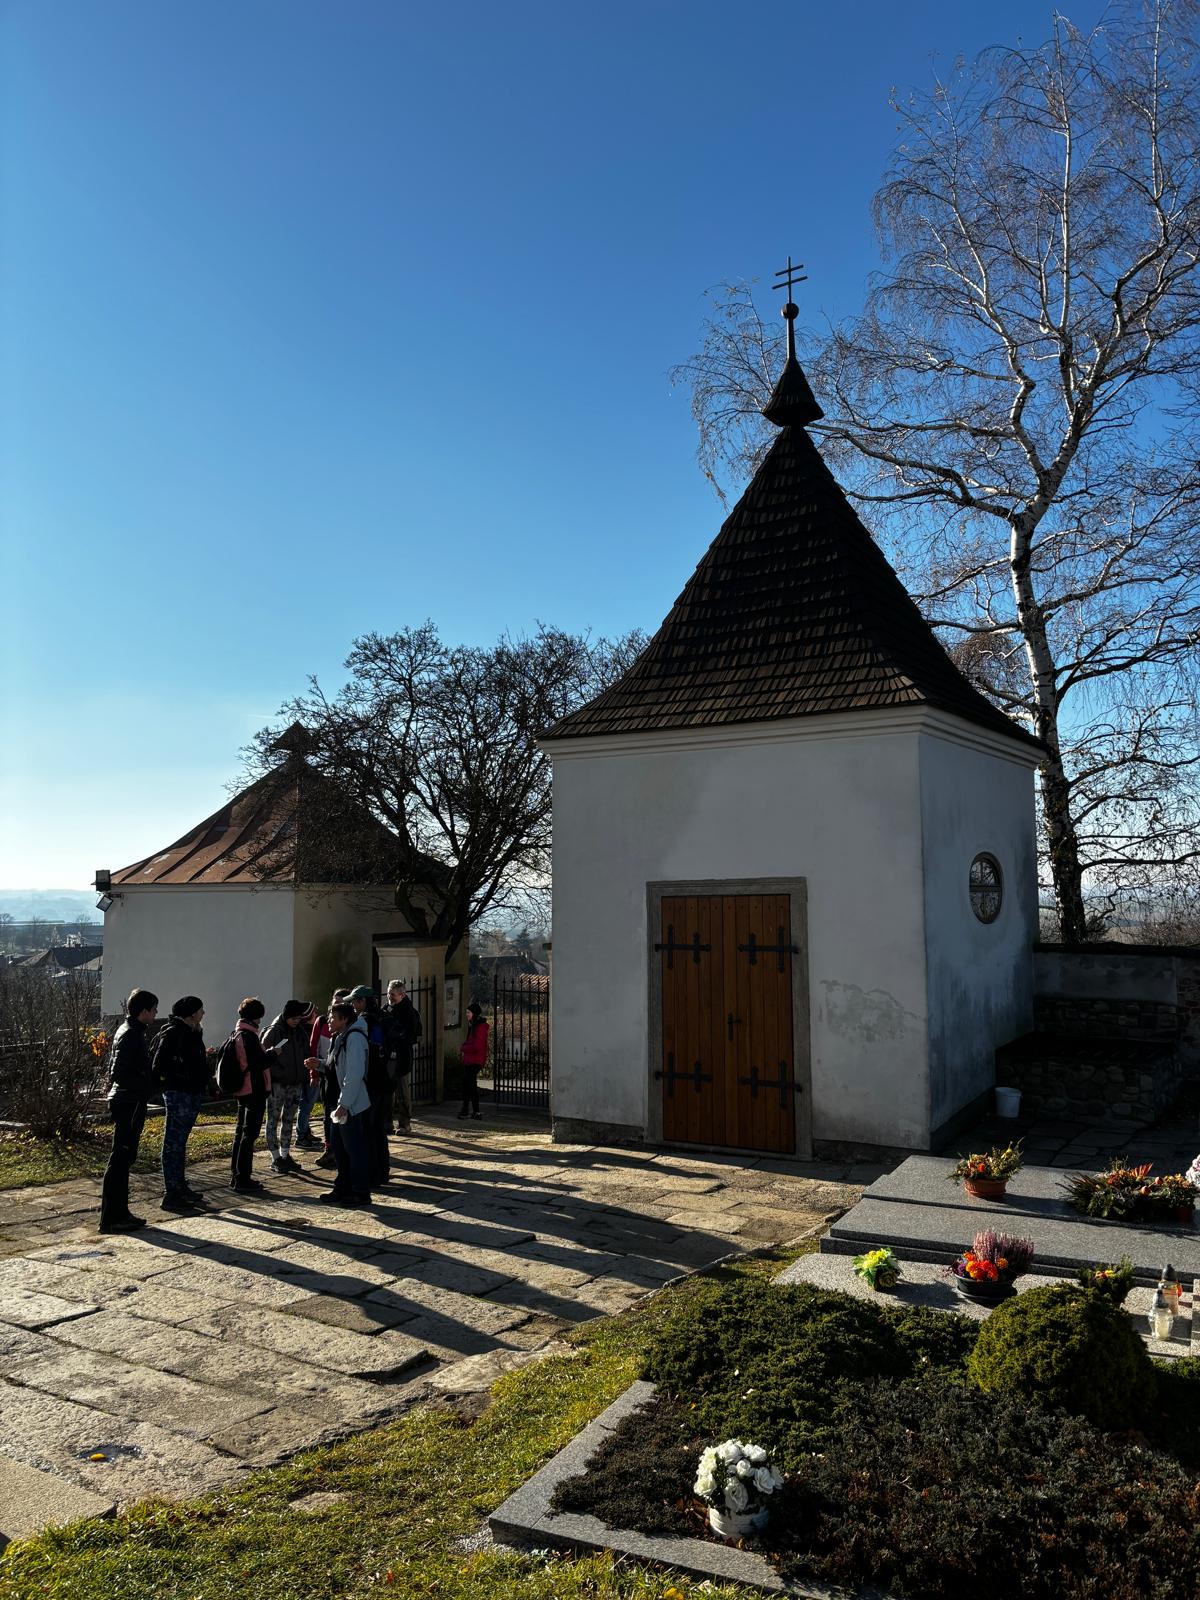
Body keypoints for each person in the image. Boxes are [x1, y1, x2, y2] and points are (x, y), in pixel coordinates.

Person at [99, 987, 158, 1232]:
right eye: (154, 1010)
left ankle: (120, 1212)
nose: (155, 1014)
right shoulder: (131, 1034)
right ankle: (112, 1216)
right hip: (128, 1101)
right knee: (121, 1158)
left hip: (128, 1098)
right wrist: (144, 1087)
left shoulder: (129, 1030)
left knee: (124, 1158)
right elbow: (119, 1072)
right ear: (144, 1011)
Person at [152, 995, 209, 1213]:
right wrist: (175, 1081)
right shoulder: (174, 1032)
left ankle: (180, 1185)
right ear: (192, 1013)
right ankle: (172, 1191)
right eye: (201, 1010)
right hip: (179, 1094)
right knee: (173, 1143)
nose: (203, 1013)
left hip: (191, 1092)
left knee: (180, 1142)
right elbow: (159, 1065)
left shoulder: (192, 1032)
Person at [228, 996, 282, 1194]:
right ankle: (243, 1178)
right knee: (249, 1135)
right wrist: (273, 1054)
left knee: (240, 1133)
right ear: (255, 1017)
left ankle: (236, 1175)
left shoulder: (237, 1033)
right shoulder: (249, 1037)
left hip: (243, 1089)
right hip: (254, 1090)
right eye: (259, 1017)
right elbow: (258, 1063)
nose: (260, 1021)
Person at [321, 1000, 372, 1206]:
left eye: (333, 1017)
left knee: (354, 1149)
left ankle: (360, 1192)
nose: (329, 1021)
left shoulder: (355, 1038)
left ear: (344, 1019)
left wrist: (344, 1104)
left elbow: (354, 1074)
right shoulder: (340, 1036)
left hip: (350, 1105)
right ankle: (342, 1187)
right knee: (339, 1149)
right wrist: (320, 1065)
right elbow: (337, 1067)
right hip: (339, 1103)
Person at [345, 984, 391, 1185]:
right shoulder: (384, 1017)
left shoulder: (365, 1021)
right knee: (379, 1129)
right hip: (384, 1080)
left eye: (355, 1002)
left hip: (370, 1082)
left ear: (362, 1001)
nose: (353, 1006)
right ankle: (382, 1171)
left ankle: (372, 1174)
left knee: (368, 1130)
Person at [261, 999, 313, 1175]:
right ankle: (275, 1157)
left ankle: (285, 1155)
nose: (296, 1021)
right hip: (278, 1083)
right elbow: (263, 1055)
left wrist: (306, 1074)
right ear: (286, 1016)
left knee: (289, 1119)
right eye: (293, 1018)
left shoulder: (300, 1032)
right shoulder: (274, 1031)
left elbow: (306, 1052)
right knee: (273, 1120)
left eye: (299, 1018)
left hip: (295, 1083)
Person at [306, 987, 348, 1170]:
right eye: (334, 1001)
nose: (335, 1005)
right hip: (326, 1074)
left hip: (341, 1078)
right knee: (327, 1114)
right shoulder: (323, 1021)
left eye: (340, 1002)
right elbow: (313, 1046)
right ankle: (329, 1149)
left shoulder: (349, 1030)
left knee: (340, 1115)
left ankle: (342, 1150)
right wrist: (314, 1073)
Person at [383, 979, 420, 1135]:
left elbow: (410, 1036)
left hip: (401, 1056)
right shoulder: (386, 1009)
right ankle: (387, 1122)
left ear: (402, 995)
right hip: (387, 1056)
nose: (389, 997)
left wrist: (395, 1037)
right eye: (388, 993)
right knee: (386, 1090)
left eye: (393, 995)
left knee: (402, 1090)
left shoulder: (409, 1013)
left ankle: (405, 1123)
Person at [459, 1001, 488, 1120]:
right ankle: (469, 1109)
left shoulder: (480, 1028)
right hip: (470, 1060)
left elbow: (477, 1046)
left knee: (470, 1085)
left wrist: (463, 1048)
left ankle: (473, 1110)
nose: (467, 1014)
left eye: (468, 1012)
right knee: (468, 1085)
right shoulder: (472, 1025)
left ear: (474, 1013)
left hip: (475, 1060)